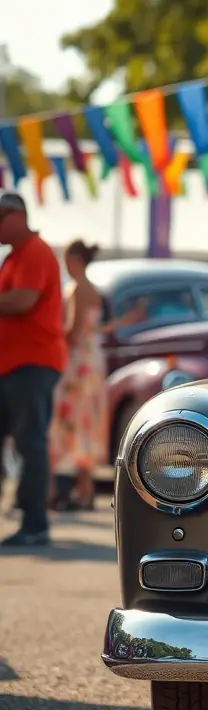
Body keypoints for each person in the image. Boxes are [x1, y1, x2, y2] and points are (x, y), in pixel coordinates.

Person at [0, 191, 67, 547]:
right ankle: (29, 520)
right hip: (13, 364)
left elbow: (23, 300)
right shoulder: (14, 257)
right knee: (24, 441)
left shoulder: (34, 252)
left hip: (32, 363)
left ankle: (34, 524)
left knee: (30, 442)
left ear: (16, 215)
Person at [49, 240, 109, 511]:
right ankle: (85, 488)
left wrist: (49, 335)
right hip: (93, 359)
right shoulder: (94, 289)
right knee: (87, 420)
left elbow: (72, 332)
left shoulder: (75, 289)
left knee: (69, 421)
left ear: (74, 259)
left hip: (78, 361)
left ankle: (68, 489)